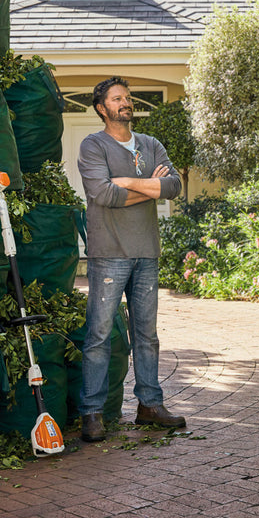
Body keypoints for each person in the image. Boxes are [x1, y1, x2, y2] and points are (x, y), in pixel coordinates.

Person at [76, 77, 185, 441]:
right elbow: (102, 193)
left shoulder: (151, 144)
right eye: (117, 98)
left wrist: (127, 181)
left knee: (147, 335)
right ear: (101, 108)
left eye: (127, 97)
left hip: (146, 253)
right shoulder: (93, 146)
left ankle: (149, 405)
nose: (125, 102)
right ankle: (91, 412)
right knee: (99, 335)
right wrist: (146, 188)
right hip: (109, 254)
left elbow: (172, 186)